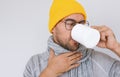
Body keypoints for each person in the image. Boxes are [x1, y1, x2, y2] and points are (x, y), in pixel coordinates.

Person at [23, 0, 120, 77]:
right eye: (70, 23)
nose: (77, 30)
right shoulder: (35, 64)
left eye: (81, 24)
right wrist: (49, 73)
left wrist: (116, 47)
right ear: (53, 28)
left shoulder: (100, 61)